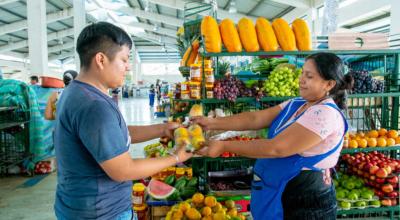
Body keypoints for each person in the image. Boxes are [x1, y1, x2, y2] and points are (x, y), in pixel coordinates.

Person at [53, 22, 192, 220]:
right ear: (100, 59)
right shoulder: (94, 106)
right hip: (101, 212)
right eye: (124, 60)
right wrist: (176, 158)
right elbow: (123, 170)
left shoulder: (75, 92)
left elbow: (115, 135)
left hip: (77, 205)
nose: (127, 67)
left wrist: (162, 129)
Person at [193, 52, 353, 220]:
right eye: (302, 73)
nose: (301, 79)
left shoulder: (324, 114)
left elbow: (277, 148)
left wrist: (223, 146)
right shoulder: (297, 103)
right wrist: (211, 123)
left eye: (309, 76)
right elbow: (256, 118)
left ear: (329, 84)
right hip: (281, 192)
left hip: (305, 201)